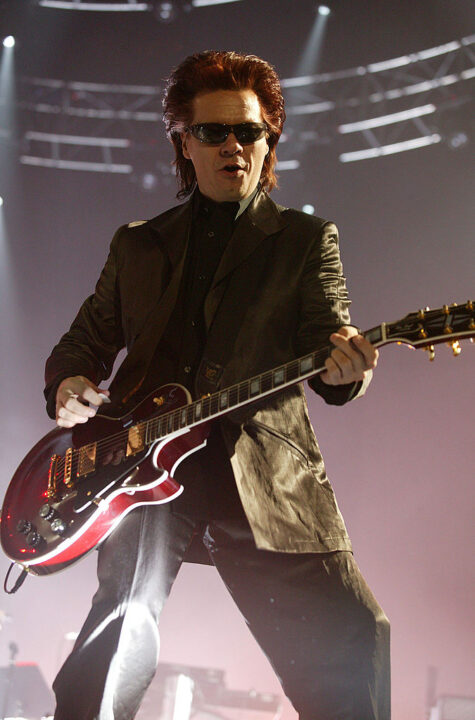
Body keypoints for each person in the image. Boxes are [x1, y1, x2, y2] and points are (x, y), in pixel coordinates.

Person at [45, 51, 390, 720]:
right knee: (117, 633)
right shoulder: (138, 245)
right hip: (140, 469)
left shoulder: (305, 240)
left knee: (355, 633)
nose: (234, 146)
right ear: (184, 140)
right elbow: (81, 343)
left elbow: (330, 348)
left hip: (262, 474)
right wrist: (70, 381)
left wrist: (349, 373)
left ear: (269, 140)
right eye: (214, 133)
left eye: (250, 132)